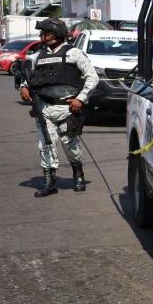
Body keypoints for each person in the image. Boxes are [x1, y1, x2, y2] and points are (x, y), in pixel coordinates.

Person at [17, 18, 98, 197]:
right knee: (46, 144)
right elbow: (29, 77)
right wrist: (23, 87)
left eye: (44, 33)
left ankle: (78, 174)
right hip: (44, 108)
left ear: (54, 35)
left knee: (70, 144)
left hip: (68, 108)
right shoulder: (37, 56)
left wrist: (81, 99)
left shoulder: (74, 54)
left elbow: (92, 78)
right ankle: (50, 182)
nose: (42, 37)